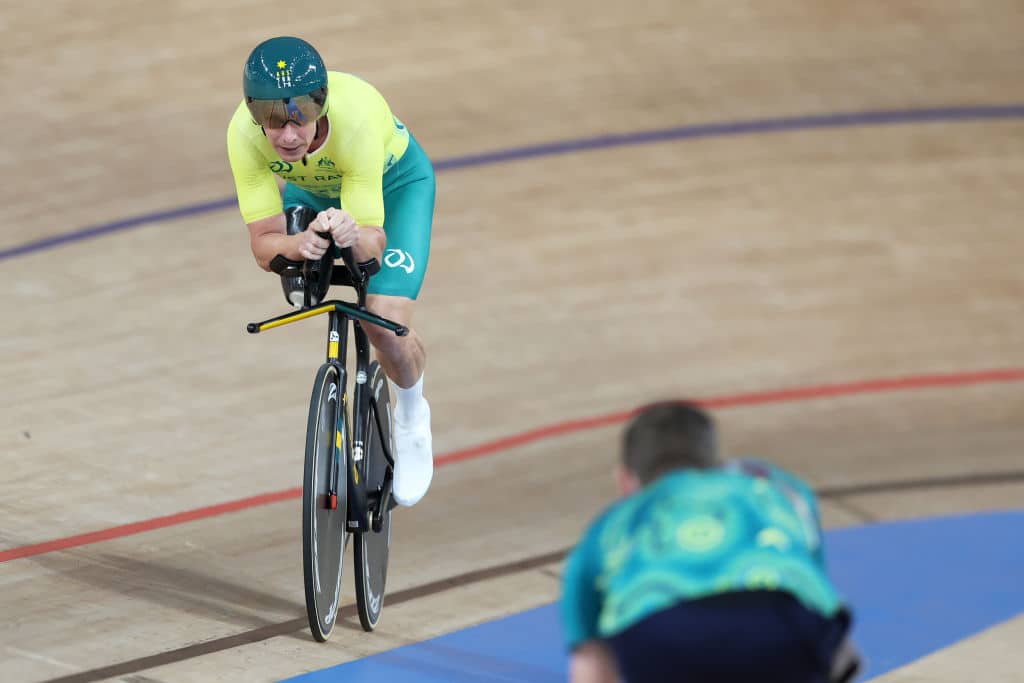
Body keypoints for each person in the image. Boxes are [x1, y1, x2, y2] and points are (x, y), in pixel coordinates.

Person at [226, 36, 435, 507]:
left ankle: (411, 415)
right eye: (272, 119)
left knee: (384, 320)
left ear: (322, 101)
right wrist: (299, 244)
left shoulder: (356, 115)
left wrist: (348, 229)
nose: (288, 134)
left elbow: (373, 244)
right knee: (299, 283)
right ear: (252, 113)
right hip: (314, 196)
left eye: (300, 113)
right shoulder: (242, 135)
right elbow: (263, 246)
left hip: (396, 187)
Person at [560, 401, 861, 683]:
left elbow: (590, 664)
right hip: (778, 621)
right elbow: (817, 591)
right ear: (717, 465)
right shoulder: (775, 488)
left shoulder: (608, 526)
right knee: (838, 651)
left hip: (658, 633)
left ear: (625, 481)